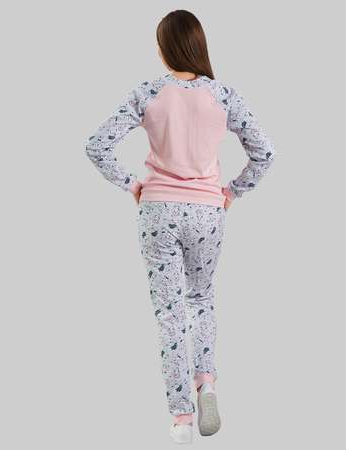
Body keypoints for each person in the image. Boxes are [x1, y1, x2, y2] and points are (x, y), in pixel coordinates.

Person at [85, 9, 276, 444]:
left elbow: (97, 145)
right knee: (201, 298)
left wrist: (131, 184)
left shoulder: (149, 92)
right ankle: (206, 383)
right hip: (207, 211)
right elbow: (265, 152)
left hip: (158, 211)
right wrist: (233, 191)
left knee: (169, 312)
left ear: (163, 49)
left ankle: (181, 419)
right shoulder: (223, 95)